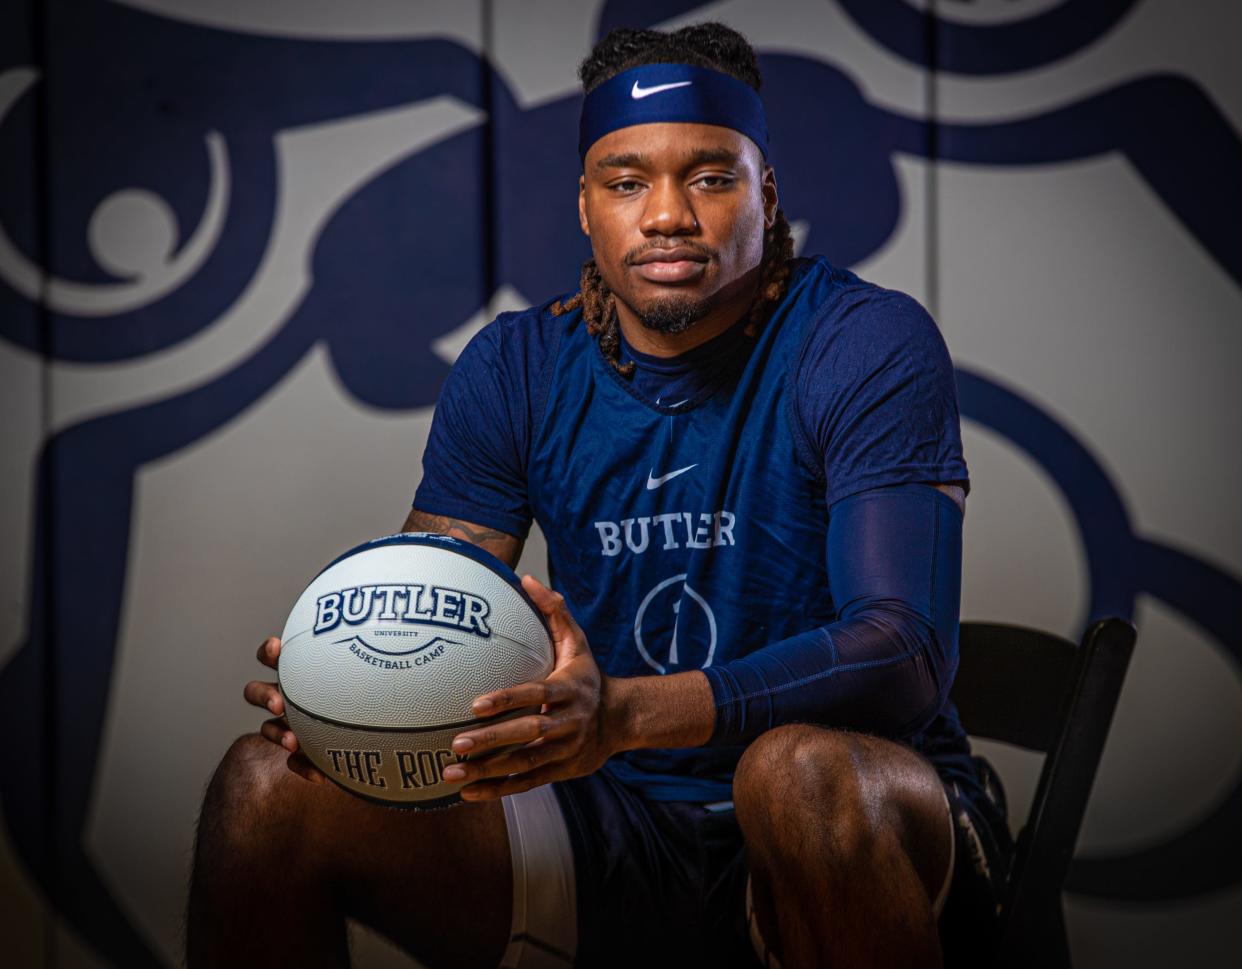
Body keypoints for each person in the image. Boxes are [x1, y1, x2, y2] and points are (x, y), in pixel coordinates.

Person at [187, 23, 1012, 969]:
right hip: (617, 828)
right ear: (586, 204)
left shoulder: (862, 341)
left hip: (854, 823)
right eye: (628, 182)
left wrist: (621, 712)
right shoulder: (520, 366)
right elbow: (435, 615)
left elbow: (904, 655)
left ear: (767, 193)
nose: (668, 215)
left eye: (710, 177)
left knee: (793, 774)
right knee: (266, 789)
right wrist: (348, 691)